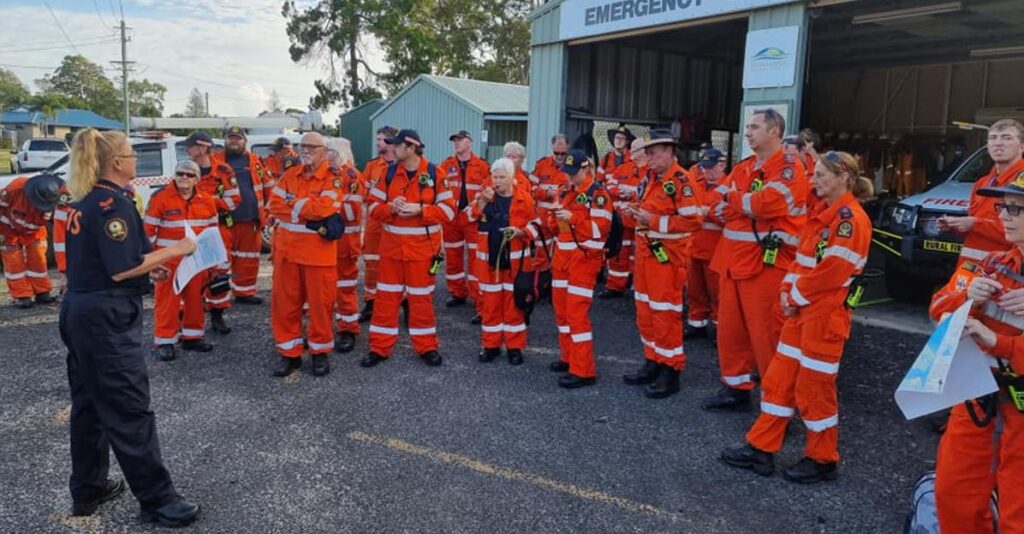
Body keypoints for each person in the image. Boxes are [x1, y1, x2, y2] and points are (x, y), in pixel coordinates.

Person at [58, 128, 199, 527]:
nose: (136, 160)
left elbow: (110, 263)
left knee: (89, 406)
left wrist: (146, 271)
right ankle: (157, 499)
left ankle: (88, 488)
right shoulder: (112, 205)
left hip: (82, 311)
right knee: (129, 409)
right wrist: (176, 250)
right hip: (105, 320)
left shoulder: (85, 202)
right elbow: (121, 269)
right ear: (117, 163)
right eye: (131, 154)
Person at [721, 151, 872, 483]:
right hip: (801, 312)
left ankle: (822, 459)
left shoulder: (850, 220)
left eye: (820, 175)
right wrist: (789, 293)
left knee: (814, 390)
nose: (813, 180)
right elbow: (801, 260)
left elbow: (834, 271)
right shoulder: (823, 214)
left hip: (824, 317)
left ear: (843, 176)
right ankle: (761, 448)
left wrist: (795, 295)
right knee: (778, 381)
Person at [927, 171, 1024, 532]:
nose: (1003, 217)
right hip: (978, 391)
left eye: (1015, 210)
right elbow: (938, 309)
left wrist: (1000, 343)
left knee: (1019, 510)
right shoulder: (994, 263)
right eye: (1004, 207)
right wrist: (966, 297)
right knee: (953, 492)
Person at [703, 109, 809, 412]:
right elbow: (713, 201)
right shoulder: (744, 167)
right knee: (730, 334)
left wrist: (734, 201)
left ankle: (778, 407)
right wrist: (738, 202)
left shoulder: (790, 168)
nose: (747, 132)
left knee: (768, 339)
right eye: (747, 127)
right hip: (732, 263)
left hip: (766, 266)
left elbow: (768, 204)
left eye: (754, 127)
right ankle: (735, 390)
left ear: (774, 130)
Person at [362, 129, 455, 368]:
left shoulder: (436, 173)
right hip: (392, 251)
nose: (391, 148)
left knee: (421, 301)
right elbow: (372, 207)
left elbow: (449, 211)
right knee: (385, 300)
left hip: (423, 253)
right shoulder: (389, 173)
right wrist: (391, 207)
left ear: (411, 148)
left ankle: (427, 347)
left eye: (397, 145)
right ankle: (379, 348)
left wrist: (420, 210)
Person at [621, 130, 703, 398]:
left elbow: (693, 221)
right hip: (646, 256)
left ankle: (671, 370)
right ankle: (653, 360)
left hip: (666, 259)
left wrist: (651, 221)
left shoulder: (681, 181)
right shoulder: (650, 177)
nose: (649, 157)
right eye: (648, 152)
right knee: (645, 311)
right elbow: (647, 208)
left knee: (665, 314)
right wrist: (633, 210)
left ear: (669, 152)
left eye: (654, 152)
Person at [267, 132, 344, 377]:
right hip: (288, 254)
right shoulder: (290, 175)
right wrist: (302, 207)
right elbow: (274, 206)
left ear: (324, 151)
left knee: (320, 307)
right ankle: (289, 354)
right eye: (303, 146)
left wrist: (293, 202)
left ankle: (319, 353)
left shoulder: (334, 179)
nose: (306, 150)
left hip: (318, 257)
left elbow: (324, 209)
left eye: (312, 146)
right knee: (285, 306)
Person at [548, 149, 613, 389]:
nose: (569, 177)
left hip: (584, 261)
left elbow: (600, 229)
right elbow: (556, 229)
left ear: (585, 169)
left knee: (576, 315)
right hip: (562, 259)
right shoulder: (564, 190)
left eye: (573, 173)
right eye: (567, 172)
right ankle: (568, 357)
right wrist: (553, 218)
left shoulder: (598, 193)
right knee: (562, 314)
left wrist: (572, 218)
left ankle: (583, 370)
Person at [143, 160, 219, 361]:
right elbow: (148, 233)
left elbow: (213, 234)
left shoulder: (208, 200)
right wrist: (150, 262)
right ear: (174, 175)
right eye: (180, 173)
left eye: (190, 175)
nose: (184, 177)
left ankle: (192, 338)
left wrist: (215, 263)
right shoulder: (160, 199)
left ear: (197, 179)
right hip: (168, 260)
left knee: (195, 299)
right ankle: (165, 341)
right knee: (167, 302)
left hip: (196, 261)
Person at [468, 157, 540, 364]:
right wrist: (481, 201)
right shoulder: (485, 197)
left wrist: (521, 232)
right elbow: (467, 218)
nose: (497, 181)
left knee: (514, 308)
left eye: (501, 177)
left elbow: (537, 225)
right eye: (494, 176)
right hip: (489, 264)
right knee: (490, 307)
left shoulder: (524, 199)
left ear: (512, 178)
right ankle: (490, 346)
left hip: (516, 265)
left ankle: (514, 347)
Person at [939, 119, 1024, 267]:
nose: (998, 143)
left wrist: (974, 224)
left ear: (1021, 146)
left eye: (1007, 138)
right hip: (970, 270)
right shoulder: (982, 183)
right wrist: (957, 226)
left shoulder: (1020, 184)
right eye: (993, 138)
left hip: (1008, 273)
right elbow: (978, 226)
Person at [210, 125, 273, 305]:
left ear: (245, 141)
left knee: (249, 257)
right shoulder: (215, 161)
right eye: (231, 137)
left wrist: (269, 212)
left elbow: (268, 187)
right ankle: (217, 296)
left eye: (238, 138)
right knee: (221, 258)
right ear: (225, 140)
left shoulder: (255, 161)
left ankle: (244, 292)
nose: (234, 141)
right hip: (223, 219)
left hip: (251, 218)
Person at [184, 131, 240, 334]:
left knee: (220, 274)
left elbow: (234, 201)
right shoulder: (185, 170)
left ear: (202, 147)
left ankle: (218, 315)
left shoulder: (223, 170)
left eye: (189, 146)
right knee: (192, 275)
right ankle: (190, 320)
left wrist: (204, 200)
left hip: (219, 230)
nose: (186, 150)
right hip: (190, 232)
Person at [440, 130, 491, 320]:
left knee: (476, 259)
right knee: (452, 255)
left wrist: (475, 211)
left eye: (460, 140)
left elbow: (488, 190)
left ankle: (479, 297)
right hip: (452, 219)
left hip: (473, 218)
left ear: (469, 142)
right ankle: (457, 292)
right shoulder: (446, 165)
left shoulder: (483, 166)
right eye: (454, 141)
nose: (456, 143)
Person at [326, 137, 365, 354]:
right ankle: (322, 330)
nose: (324, 154)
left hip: (345, 245)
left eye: (328, 150)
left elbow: (352, 213)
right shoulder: (324, 174)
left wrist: (327, 205)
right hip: (324, 244)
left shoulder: (352, 177)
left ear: (338, 152)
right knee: (322, 290)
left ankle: (349, 330)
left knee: (345, 290)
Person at [0, 173, 62, 308]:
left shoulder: (56, 193)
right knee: (14, 262)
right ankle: (22, 295)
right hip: (9, 229)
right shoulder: (14, 190)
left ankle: (42, 291)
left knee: (38, 260)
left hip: (35, 230)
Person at [685, 148, 728, 338]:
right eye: (704, 168)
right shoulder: (697, 184)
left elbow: (728, 216)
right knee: (694, 289)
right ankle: (696, 323)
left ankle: (721, 329)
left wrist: (705, 212)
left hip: (716, 249)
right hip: (694, 246)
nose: (707, 172)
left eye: (711, 168)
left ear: (722, 165)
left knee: (718, 292)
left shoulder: (729, 187)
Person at [359, 125, 399, 323]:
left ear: (392, 142)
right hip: (375, 222)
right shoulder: (372, 166)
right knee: (372, 263)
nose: (377, 143)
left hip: (398, 222)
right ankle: (371, 302)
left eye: (381, 139)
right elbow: (363, 193)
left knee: (399, 264)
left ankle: (405, 304)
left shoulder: (405, 165)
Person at [600, 137, 648, 298]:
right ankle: (615, 286)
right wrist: (620, 192)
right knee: (618, 253)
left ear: (644, 151)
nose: (631, 151)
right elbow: (609, 186)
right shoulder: (623, 169)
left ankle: (638, 285)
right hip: (622, 221)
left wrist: (633, 194)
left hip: (642, 222)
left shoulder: (651, 172)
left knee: (642, 254)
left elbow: (649, 195)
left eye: (635, 149)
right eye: (631, 148)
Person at [530, 134, 571, 268]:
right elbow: (531, 188)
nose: (559, 157)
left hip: (562, 220)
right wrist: (547, 193)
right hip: (543, 219)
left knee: (562, 252)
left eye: (563, 154)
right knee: (541, 252)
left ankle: (557, 280)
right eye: (556, 153)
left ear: (568, 149)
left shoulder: (572, 167)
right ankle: (541, 282)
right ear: (551, 148)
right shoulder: (542, 165)